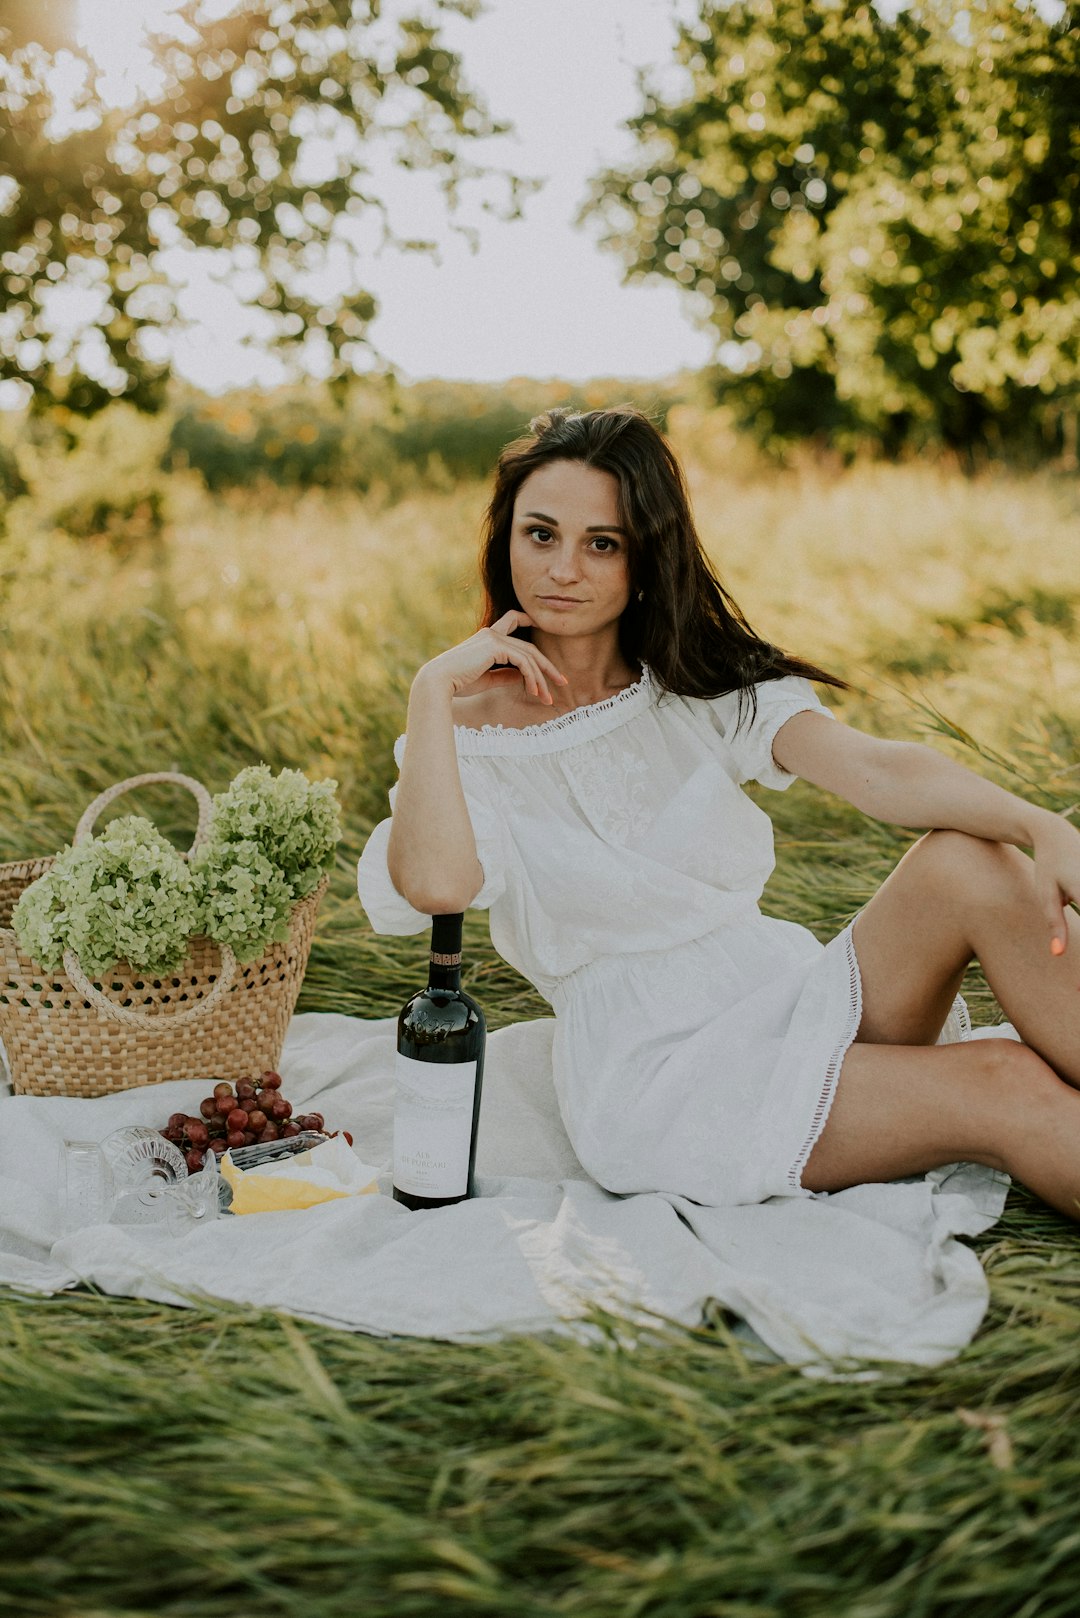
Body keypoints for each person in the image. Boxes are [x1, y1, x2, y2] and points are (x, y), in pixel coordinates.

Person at [357, 405, 1080, 1220]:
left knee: (967, 861)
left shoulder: (697, 680)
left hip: (779, 994)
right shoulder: (465, 730)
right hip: (662, 1077)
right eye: (541, 535)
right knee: (1005, 1080)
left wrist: (1042, 826)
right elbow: (436, 884)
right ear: (507, 539)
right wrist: (430, 694)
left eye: (603, 543)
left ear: (644, 558)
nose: (563, 568)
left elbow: (877, 768)